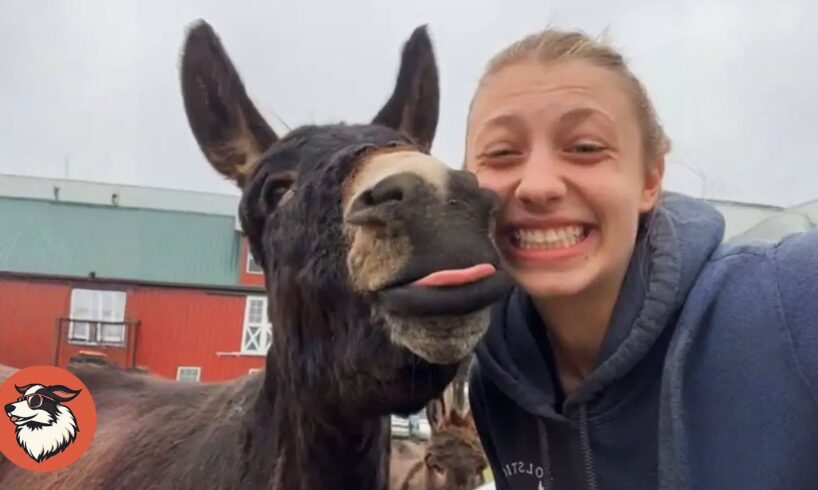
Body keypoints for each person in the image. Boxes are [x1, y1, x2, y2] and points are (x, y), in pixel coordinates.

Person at [463, 28, 818, 490]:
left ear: (650, 180)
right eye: (503, 154)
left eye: (586, 148)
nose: (538, 185)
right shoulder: (498, 384)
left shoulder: (786, 298)